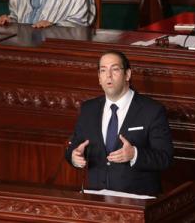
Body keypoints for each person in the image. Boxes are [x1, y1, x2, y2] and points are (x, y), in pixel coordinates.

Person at [65, 51, 173, 196]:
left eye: (114, 69)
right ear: (99, 78)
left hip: (137, 201)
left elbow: (165, 158)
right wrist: (75, 157)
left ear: (127, 75)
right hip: (96, 199)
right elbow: (74, 148)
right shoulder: (88, 109)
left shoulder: (152, 110)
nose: (108, 75)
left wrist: (134, 154)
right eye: (103, 70)